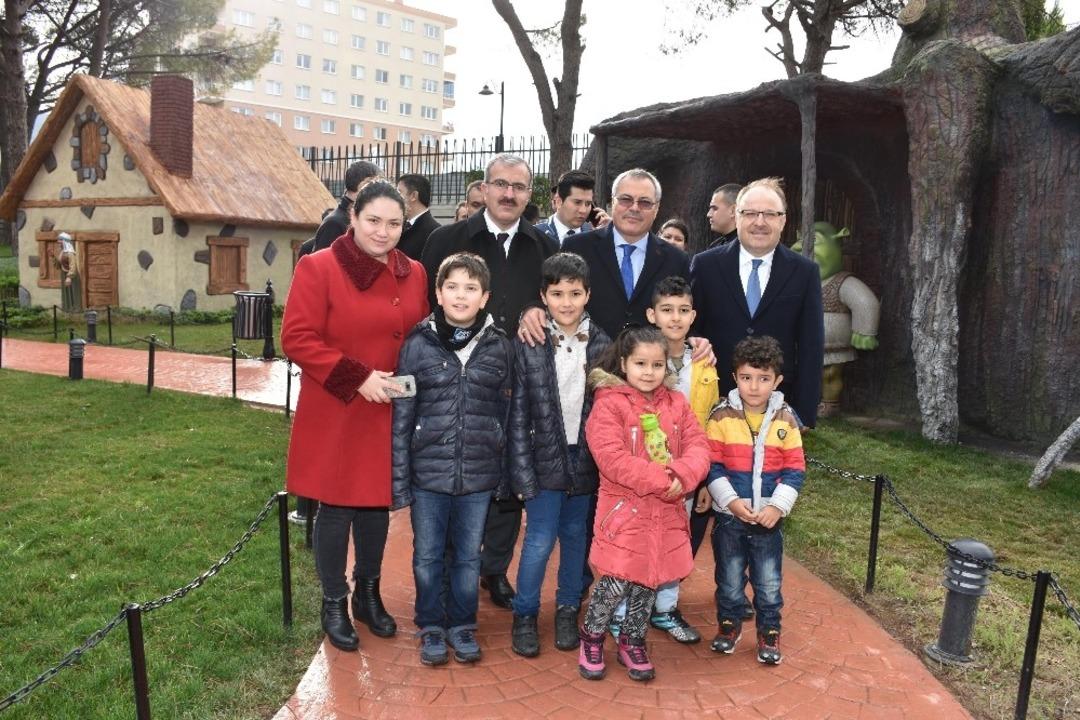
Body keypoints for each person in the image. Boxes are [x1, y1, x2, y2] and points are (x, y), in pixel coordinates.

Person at [281, 180, 429, 653]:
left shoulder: (417, 273)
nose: (383, 232)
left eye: (394, 223)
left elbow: (422, 332)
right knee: (337, 507)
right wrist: (357, 377)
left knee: (375, 505)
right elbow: (297, 338)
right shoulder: (318, 267)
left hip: (389, 412)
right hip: (338, 407)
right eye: (374, 221)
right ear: (353, 218)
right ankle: (333, 601)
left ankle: (368, 593)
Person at [421, 154, 558, 610]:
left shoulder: (543, 247)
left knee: (508, 479)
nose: (508, 194)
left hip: (516, 384)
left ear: (529, 193)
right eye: (500, 184)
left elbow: (559, 302)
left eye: (518, 187)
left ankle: (493, 569)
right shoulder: (447, 239)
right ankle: (443, 569)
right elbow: (427, 307)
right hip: (455, 383)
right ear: (483, 187)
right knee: (451, 475)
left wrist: (544, 311)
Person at [391, 252, 514, 666]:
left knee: (467, 556)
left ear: (485, 298)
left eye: (471, 288)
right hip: (429, 474)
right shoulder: (417, 345)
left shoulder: (500, 347)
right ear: (438, 294)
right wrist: (400, 478)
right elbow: (403, 414)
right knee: (427, 555)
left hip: (479, 474)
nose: (461, 296)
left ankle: (462, 625)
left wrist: (502, 470)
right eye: (453, 287)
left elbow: (507, 410)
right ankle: (430, 625)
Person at [577, 326, 711, 682]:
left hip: (665, 511)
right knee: (617, 579)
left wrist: (684, 475)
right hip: (625, 513)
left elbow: (699, 445)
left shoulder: (676, 403)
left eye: (656, 364)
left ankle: (632, 639)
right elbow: (612, 458)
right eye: (640, 363)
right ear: (624, 363)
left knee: (649, 579)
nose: (648, 372)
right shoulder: (609, 404)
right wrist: (664, 480)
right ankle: (591, 636)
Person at [506, 253, 611, 658]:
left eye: (575, 293)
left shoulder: (603, 343)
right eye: (557, 294)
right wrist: (521, 468)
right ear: (542, 297)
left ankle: (569, 608)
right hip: (542, 454)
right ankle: (525, 614)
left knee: (575, 538)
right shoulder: (528, 341)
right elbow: (517, 412)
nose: (566, 302)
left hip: (584, 455)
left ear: (587, 294)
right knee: (538, 540)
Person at [690, 177, 824, 428]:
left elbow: (811, 345)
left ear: (783, 220)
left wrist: (803, 413)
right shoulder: (705, 265)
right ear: (736, 216)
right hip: (713, 399)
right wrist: (694, 339)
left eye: (770, 214)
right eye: (750, 213)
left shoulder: (804, 272)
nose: (760, 222)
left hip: (779, 404)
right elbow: (691, 326)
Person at [705, 335, 805, 665]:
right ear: (735, 377)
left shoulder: (786, 419)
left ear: (777, 380)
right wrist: (731, 502)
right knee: (729, 579)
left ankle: (769, 632)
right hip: (731, 519)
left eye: (764, 379)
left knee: (768, 583)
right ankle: (729, 626)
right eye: (747, 377)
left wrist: (776, 507)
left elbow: (794, 470)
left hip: (767, 521)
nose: (754, 387)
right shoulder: (720, 417)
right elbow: (713, 466)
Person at [299, 160, 382, 258]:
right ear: (364, 184)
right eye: (376, 184)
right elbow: (324, 266)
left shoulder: (354, 218)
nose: (379, 191)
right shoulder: (335, 223)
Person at [536, 170, 610, 245]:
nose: (583, 210)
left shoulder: (596, 235)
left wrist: (611, 234)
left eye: (588, 203)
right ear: (558, 202)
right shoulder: (536, 235)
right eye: (577, 202)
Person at [396, 173, 441, 261]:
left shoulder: (434, 232)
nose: (395, 197)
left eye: (399, 192)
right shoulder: (399, 225)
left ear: (413, 196)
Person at [705, 183, 741, 250]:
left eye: (714, 208)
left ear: (733, 211)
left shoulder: (747, 248)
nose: (709, 214)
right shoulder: (715, 245)